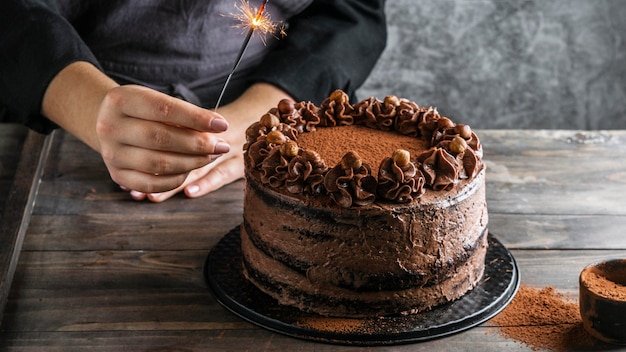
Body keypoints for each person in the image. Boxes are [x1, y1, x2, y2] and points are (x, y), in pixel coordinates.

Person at [0, 0, 387, 202]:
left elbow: (350, 12)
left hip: (278, 132)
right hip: (52, 117)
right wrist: (89, 106)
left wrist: (263, 115)